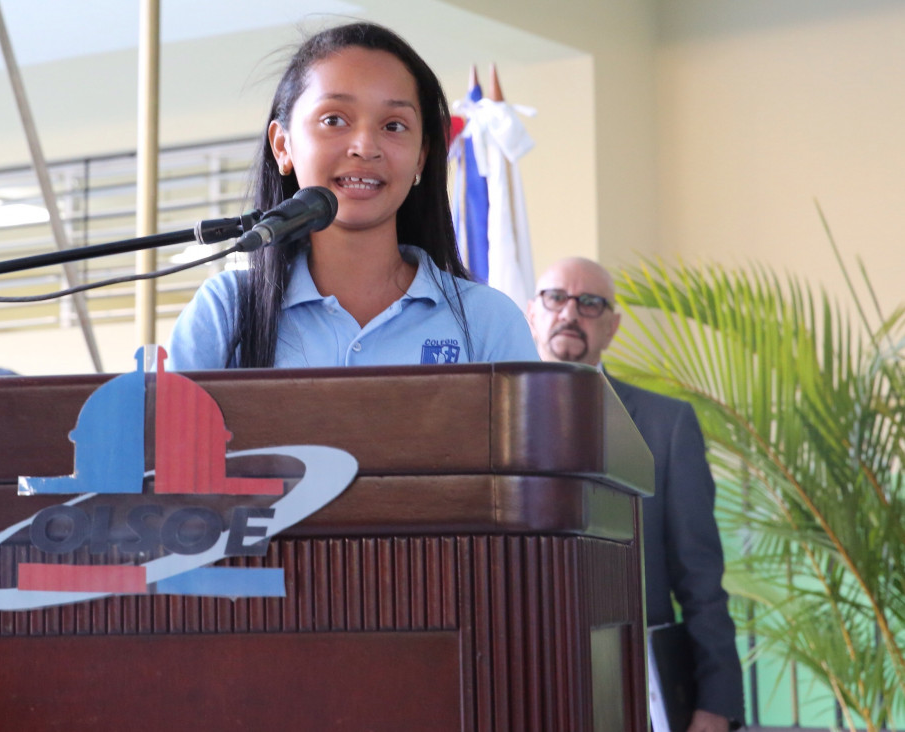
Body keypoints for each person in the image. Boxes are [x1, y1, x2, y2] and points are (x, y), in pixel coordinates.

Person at [168, 22, 536, 369]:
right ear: (282, 146)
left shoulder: (489, 320)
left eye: (394, 125)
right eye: (334, 120)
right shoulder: (228, 310)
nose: (365, 147)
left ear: (421, 157)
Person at [526, 257, 745, 732]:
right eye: (556, 298)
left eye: (590, 303)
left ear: (612, 326)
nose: (570, 313)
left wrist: (717, 702)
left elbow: (700, 577)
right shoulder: (493, 415)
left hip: (631, 686)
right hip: (519, 677)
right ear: (532, 314)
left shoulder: (667, 426)